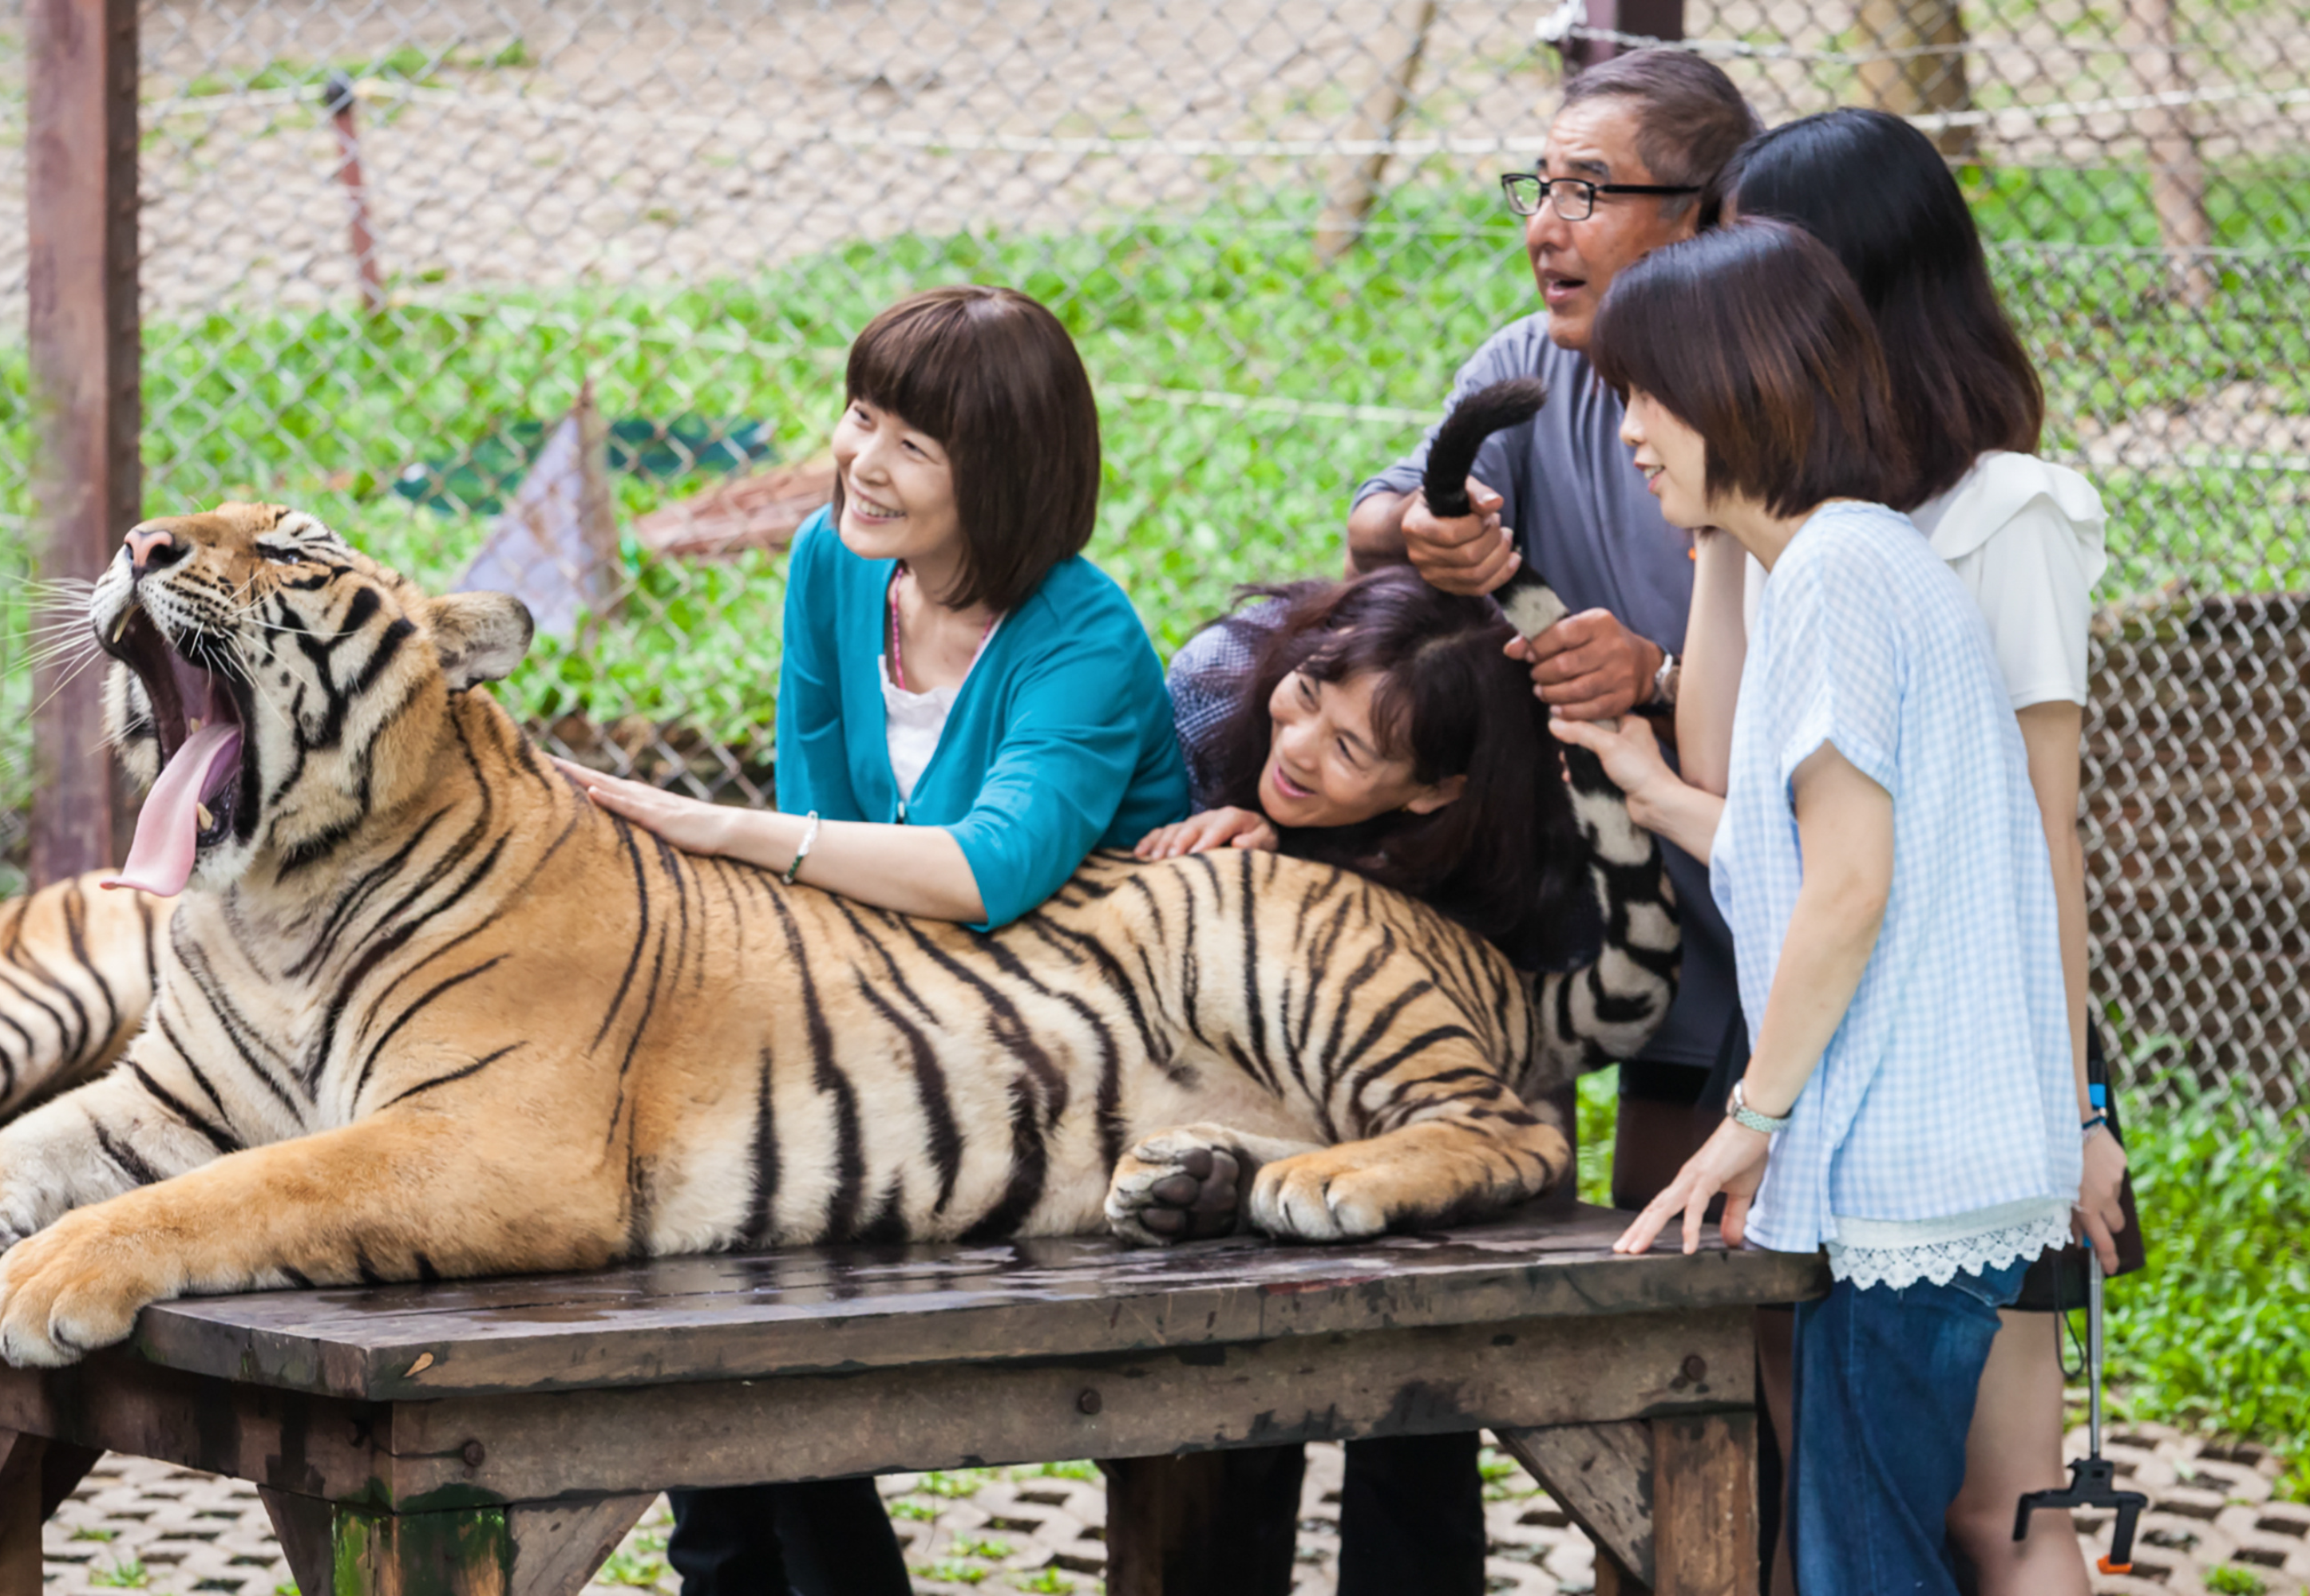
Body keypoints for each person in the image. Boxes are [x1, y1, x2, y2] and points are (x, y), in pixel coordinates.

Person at [1559, 108, 2130, 1595]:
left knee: (1881, 1549)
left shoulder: (1865, 568)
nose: (1623, 432)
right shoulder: (1842, 555)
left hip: (1921, 1151)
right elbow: (1815, 843)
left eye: (1646, 398)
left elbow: (1863, 882)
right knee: (1867, 1535)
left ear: (1739, 379)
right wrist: (1647, 773)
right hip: (1913, 1146)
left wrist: (1748, 1119)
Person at [560, 284, 1189, 1595]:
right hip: (903, 1012)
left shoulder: (1085, 632)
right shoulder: (832, 565)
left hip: (1078, 1043)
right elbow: (821, 820)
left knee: (738, 1225)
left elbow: (988, 869)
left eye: (913, 441)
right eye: (861, 415)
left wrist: (710, 829)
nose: (863, 458)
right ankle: (738, 1566)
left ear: (1004, 471)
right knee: (705, 1210)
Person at [1142, 565, 1669, 1594]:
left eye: (1350, 750)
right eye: (1305, 697)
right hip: (1230, 1078)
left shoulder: (1512, 833)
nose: (1296, 748)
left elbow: (1533, 1031)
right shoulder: (1217, 685)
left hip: (1437, 1063)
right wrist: (1223, 856)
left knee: (1420, 1397)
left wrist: (1322, 881)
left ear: (1432, 791)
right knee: (1224, 1402)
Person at [1345, 47, 1759, 1222]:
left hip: (1784, 873)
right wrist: (1425, 530)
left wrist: (1656, 673)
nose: (1542, 228)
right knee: (1647, 1234)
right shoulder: (1528, 365)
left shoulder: (1782, 398)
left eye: (1586, 191)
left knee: (1740, 1249)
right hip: (1604, 891)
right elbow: (1375, 517)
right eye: (1536, 189)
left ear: (1697, 219)